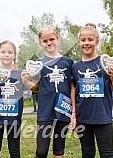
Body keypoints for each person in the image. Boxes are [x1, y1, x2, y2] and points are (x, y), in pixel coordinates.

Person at [21, 25, 76, 158]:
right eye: (45, 41)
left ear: (58, 39)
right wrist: (26, 81)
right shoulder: (38, 63)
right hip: (45, 110)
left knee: (59, 149)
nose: (49, 43)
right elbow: (36, 87)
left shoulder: (68, 62)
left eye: (52, 39)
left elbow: (72, 88)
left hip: (63, 109)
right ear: (41, 43)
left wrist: (73, 112)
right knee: (41, 151)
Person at [71, 23, 113, 157]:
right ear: (79, 42)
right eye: (83, 40)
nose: (86, 43)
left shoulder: (105, 62)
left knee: (107, 154)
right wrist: (74, 115)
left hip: (103, 117)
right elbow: (73, 92)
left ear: (97, 41)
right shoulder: (75, 67)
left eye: (90, 40)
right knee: (87, 153)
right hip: (83, 118)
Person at [0, 40, 29, 158]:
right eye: (3, 52)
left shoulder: (20, 73)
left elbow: (27, 95)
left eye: (10, 52)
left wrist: (15, 97)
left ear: (14, 55)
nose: (6, 54)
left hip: (14, 116)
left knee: (14, 149)